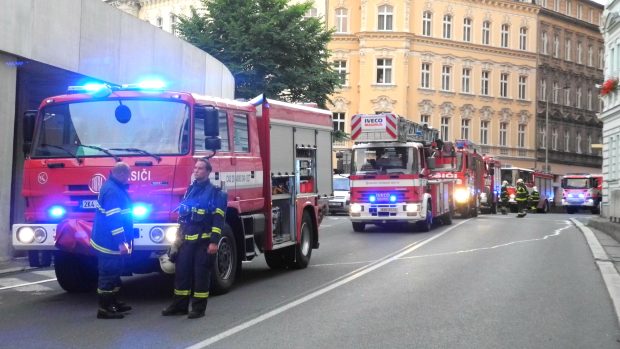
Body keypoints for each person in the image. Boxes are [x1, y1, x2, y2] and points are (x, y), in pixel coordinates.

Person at [162, 157, 227, 319]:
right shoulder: (190, 189)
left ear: (208, 172)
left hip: (203, 242)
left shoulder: (216, 193)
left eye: (200, 168)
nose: (196, 170)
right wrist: (177, 240)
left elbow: (218, 220)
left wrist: (214, 242)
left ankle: (198, 308)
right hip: (186, 241)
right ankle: (179, 306)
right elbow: (183, 217)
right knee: (182, 274)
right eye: (195, 168)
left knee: (201, 275)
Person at [90, 162, 134, 319]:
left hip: (110, 241)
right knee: (107, 275)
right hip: (108, 243)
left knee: (115, 274)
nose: (129, 179)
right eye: (128, 176)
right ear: (121, 174)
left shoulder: (114, 187)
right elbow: (114, 219)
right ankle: (104, 308)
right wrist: (121, 241)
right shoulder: (112, 191)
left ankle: (113, 303)